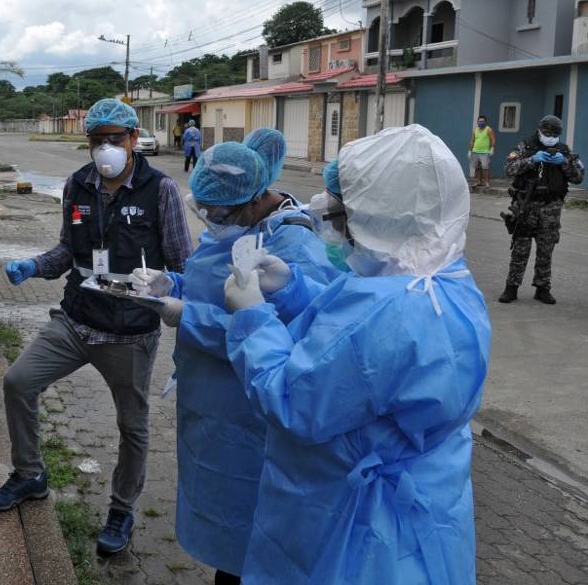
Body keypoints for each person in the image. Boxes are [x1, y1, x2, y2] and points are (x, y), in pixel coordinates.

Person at [222, 124, 491, 584]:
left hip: (362, 531)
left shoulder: (388, 312)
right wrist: (291, 290)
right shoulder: (446, 284)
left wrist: (254, 321)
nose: (336, 223)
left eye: (345, 212)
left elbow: (294, 402)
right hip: (431, 510)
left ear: (383, 216)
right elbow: (347, 341)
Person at [0, 98, 192, 556]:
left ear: (134, 139)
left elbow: (183, 264)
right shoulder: (77, 185)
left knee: (132, 424)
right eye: (96, 140)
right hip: (76, 321)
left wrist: (168, 286)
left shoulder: (160, 190)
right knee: (18, 382)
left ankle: (121, 507)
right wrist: (34, 265)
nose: (105, 148)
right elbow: (66, 253)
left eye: (114, 139)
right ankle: (29, 475)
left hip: (130, 331)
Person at [129, 128, 339, 585]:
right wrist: (173, 285)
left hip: (248, 412)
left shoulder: (292, 243)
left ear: (251, 198)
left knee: (251, 532)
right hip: (211, 404)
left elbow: (286, 333)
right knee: (222, 523)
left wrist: (188, 315)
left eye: (216, 210)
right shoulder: (238, 224)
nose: (209, 218)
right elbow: (213, 280)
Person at [498, 114, 584, 304]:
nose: (550, 136)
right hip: (527, 205)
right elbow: (509, 168)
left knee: (546, 248)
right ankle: (511, 287)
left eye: (554, 133)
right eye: (546, 132)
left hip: (551, 207)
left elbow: (578, 176)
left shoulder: (564, 150)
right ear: (539, 130)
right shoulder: (526, 146)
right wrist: (532, 159)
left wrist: (564, 162)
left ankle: (542, 288)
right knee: (521, 248)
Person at [468, 115, 496, 189]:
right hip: (475, 151)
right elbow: (472, 141)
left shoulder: (488, 129)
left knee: (485, 167)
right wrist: (470, 151)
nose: (481, 122)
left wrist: (492, 148)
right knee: (476, 167)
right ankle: (478, 181)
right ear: (477, 122)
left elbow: (493, 139)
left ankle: (487, 182)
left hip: (484, 152)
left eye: (483, 121)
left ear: (485, 122)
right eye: (480, 121)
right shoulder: (475, 130)